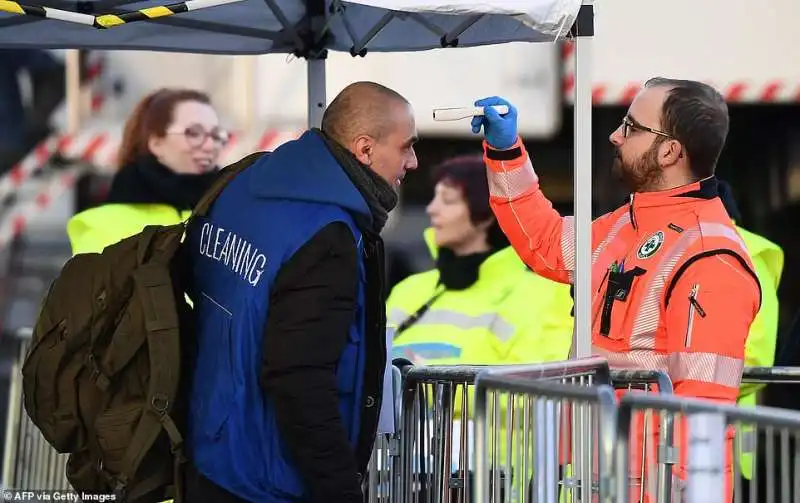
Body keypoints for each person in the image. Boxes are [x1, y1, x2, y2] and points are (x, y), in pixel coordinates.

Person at [470, 79, 761, 500]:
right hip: (598, 478)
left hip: (650, 488)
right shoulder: (625, 223)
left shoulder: (709, 255)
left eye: (631, 126)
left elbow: (703, 412)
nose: (615, 135)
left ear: (669, 151)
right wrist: (506, 153)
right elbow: (546, 244)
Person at [183, 81, 418, 503]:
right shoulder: (328, 237)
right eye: (406, 147)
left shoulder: (244, 183)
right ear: (365, 149)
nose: (414, 161)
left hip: (212, 453)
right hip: (267, 480)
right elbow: (299, 379)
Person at [387, 153, 573, 365]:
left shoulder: (545, 294)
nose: (432, 209)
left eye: (448, 200)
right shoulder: (407, 290)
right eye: (434, 198)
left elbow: (537, 388)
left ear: (485, 215)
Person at [66, 88, 228, 255]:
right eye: (194, 133)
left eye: (216, 135)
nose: (210, 146)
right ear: (156, 143)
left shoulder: (234, 215)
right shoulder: (105, 226)